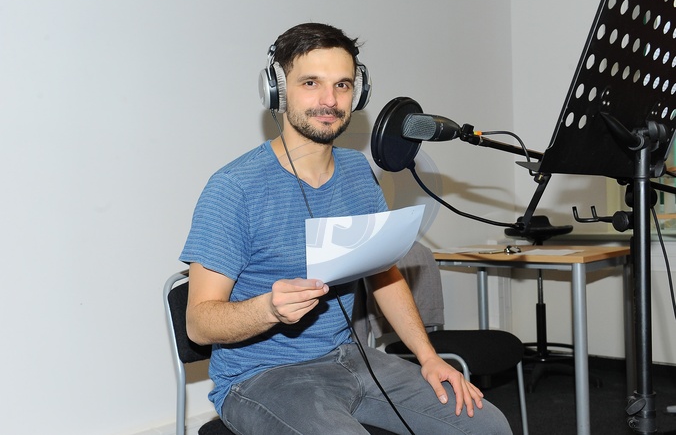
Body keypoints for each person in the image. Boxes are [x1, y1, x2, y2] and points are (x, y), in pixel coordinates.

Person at [180, 22, 512, 435]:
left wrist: (428, 357)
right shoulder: (234, 187)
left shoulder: (357, 171)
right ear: (277, 91)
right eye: (311, 83)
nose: (329, 100)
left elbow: (384, 275)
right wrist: (268, 309)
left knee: (487, 426)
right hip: (261, 377)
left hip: (351, 358)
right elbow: (199, 323)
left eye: (343, 85)